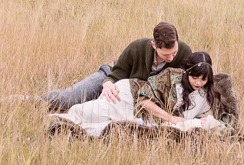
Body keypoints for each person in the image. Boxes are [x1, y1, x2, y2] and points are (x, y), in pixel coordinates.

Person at [48, 51, 222, 138]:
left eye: (203, 79)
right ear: (185, 72)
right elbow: (143, 100)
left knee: (105, 126)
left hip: (145, 119)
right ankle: (54, 115)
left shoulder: (204, 96)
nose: (198, 83)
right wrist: (170, 118)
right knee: (85, 112)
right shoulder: (171, 77)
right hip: (128, 96)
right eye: (194, 77)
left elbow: (208, 119)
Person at [43, 21, 192, 112]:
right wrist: (107, 85)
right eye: (166, 55)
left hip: (129, 98)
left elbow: (191, 81)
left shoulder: (184, 52)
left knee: (86, 111)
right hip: (110, 81)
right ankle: (29, 100)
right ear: (154, 45)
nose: (171, 58)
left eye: (174, 53)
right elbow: (115, 74)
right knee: (66, 100)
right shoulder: (136, 48)